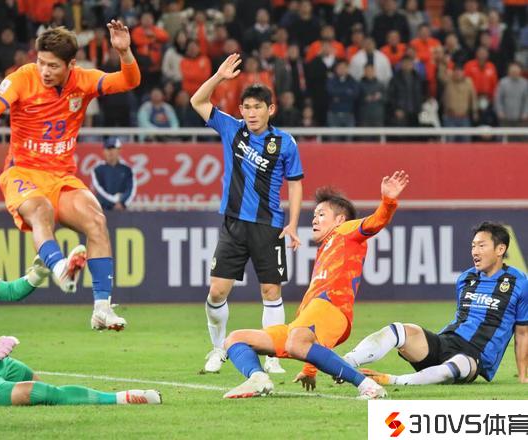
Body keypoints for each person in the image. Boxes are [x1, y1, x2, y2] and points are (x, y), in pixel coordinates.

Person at [0, 23, 140, 331]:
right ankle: (60, 268)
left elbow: (129, 80)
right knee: (41, 210)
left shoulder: (83, 80)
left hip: (61, 178)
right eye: (41, 62)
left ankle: (102, 309)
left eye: (53, 66)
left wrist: (124, 52)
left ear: (71, 64)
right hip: (22, 173)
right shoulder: (23, 77)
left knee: (96, 220)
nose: (44, 71)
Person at [0, 215, 161, 407]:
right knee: (36, 393)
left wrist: (38, 274)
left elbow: (10, 291)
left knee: (38, 384)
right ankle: (123, 398)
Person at [221, 171, 409, 400]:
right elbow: (312, 338)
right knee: (235, 338)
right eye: (314, 215)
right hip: (306, 320)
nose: (314, 220)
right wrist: (309, 369)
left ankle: (368, 385)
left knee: (296, 342)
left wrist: (388, 201)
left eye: (321, 214)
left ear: (339, 220)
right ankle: (258, 378)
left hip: (332, 308)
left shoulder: (346, 231)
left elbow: (375, 222)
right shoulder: (326, 249)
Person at [190, 54, 304, 375]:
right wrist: (218, 76)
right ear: (241, 110)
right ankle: (218, 348)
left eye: (258, 107)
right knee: (217, 291)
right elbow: (197, 101)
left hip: (270, 225)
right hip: (234, 223)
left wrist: (294, 223)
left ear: (271, 109)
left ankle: (273, 355)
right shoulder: (232, 128)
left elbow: (295, 183)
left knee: (271, 291)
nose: (252, 113)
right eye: (247, 107)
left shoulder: (285, 143)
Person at [345, 222, 527, 386]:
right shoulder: (466, 278)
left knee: (458, 365)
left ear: (500, 249)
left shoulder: (519, 282)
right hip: (445, 341)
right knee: (399, 330)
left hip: (473, 357)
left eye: (481, 245)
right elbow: (462, 318)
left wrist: (522, 376)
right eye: (473, 246)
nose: (475, 251)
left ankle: (392, 380)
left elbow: (522, 332)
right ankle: (346, 363)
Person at [91, 137, 136, 211]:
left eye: (113, 148)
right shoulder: (97, 169)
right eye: (107, 148)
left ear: (119, 150)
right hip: (103, 209)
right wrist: (114, 202)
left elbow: (131, 190)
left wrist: (122, 202)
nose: (110, 152)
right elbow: (98, 190)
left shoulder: (127, 169)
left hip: (123, 209)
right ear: (103, 151)